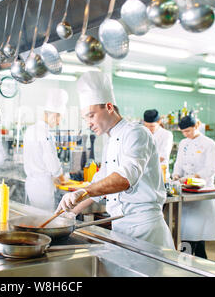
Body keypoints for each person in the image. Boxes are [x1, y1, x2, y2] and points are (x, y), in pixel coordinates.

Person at [56, 71, 175, 249]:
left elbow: (124, 179)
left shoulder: (136, 133)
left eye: (91, 115)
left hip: (146, 230)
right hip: (121, 228)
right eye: (85, 118)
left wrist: (82, 192)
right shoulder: (110, 140)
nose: (88, 123)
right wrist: (68, 212)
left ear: (109, 107)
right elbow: (100, 182)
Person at [172, 115, 215, 259]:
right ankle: (190, 265)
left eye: (189, 131)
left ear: (197, 125)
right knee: (187, 233)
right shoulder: (183, 143)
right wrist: (176, 175)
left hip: (202, 194)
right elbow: (178, 164)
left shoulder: (209, 143)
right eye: (183, 132)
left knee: (197, 236)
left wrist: (192, 178)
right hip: (186, 194)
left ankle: (194, 266)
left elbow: (209, 169)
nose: (186, 134)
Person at [23, 88, 69, 211]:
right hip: (42, 186)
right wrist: (61, 177)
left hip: (31, 184)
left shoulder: (30, 129)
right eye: (59, 118)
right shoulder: (46, 133)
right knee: (45, 220)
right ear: (54, 115)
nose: (58, 122)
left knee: (33, 219)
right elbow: (51, 160)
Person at [143, 109, 173, 181]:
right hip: (144, 175)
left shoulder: (167, 135)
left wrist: (142, 163)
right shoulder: (143, 133)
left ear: (159, 122)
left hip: (160, 175)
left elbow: (162, 156)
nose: (149, 129)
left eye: (152, 126)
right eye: (146, 126)